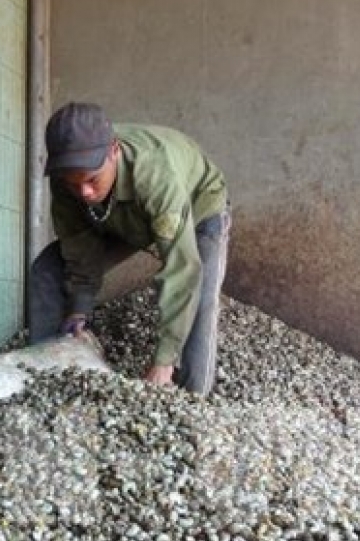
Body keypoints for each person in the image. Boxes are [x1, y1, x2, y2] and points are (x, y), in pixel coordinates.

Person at [28, 102, 230, 394]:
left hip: (198, 204)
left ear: (114, 151)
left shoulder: (155, 176)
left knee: (199, 296)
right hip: (122, 215)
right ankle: (42, 375)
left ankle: (194, 400)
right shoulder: (66, 181)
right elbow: (79, 248)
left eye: (92, 179)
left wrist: (164, 359)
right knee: (47, 269)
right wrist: (78, 311)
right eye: (74, 184)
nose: (84, 192)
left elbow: (182, 270)